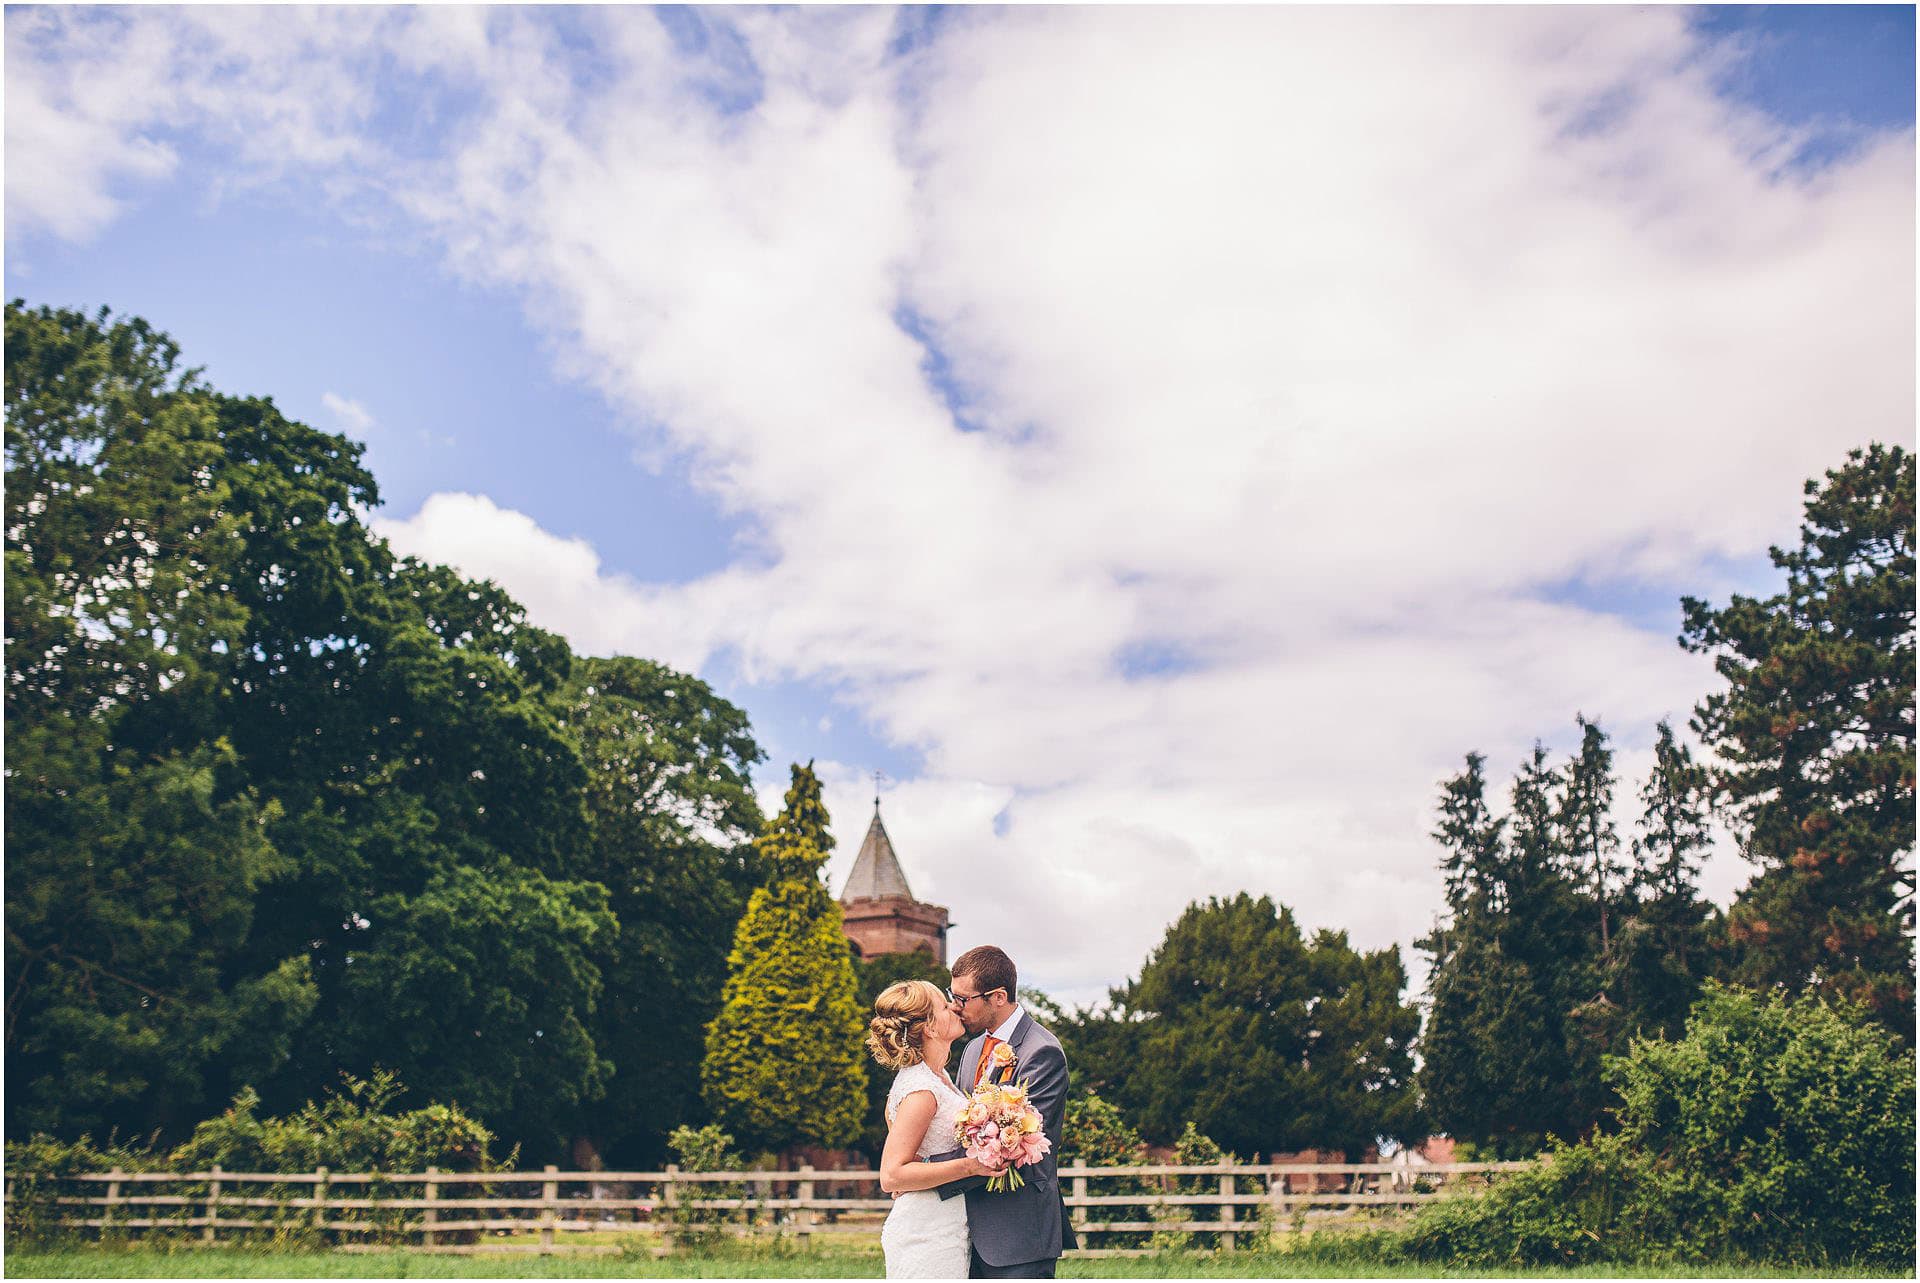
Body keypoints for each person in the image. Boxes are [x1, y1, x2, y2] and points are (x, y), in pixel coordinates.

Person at [942, 945, 1077, 1279]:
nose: (955, 1008)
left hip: (1018, 1232)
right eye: (952, 996)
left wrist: (925, 1173)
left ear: (998, 996)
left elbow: (1015, 1148)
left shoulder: (1041, 1052)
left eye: (964, 999)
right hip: (966, 1229)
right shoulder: (973, 1049)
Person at [869, 979, 997, 1278]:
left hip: (947, 1222)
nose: (954, 1007)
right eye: (943, 1005)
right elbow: (891, 1175)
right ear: (928, 1027)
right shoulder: (921, 1091)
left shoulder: (939, 1079)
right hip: (925, 1232)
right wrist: (971, 1166)